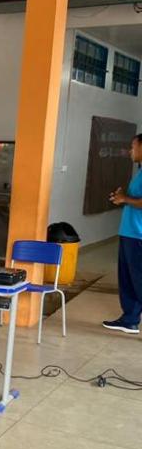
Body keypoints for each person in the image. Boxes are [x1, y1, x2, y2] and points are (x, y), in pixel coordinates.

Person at [105, 133, 142, 334]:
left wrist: (125, 198)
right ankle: (129, 320)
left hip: (139, 235)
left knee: (139, 280)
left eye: (133, 146)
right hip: (130, 233)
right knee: (128, 279)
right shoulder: (139, 172)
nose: (130, 151)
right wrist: (121, 198)